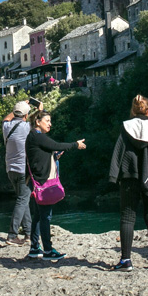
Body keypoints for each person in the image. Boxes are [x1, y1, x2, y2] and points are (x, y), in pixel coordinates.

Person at [108, 95, 148, 271]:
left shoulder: (126, 126)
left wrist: (113, 175)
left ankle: (126, 260)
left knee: (127, 217)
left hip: (129, 176)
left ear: (133, 111)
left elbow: (118, 152)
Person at [25, 111, 86, 261]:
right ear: (38, 121)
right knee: (45, 216)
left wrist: (54, 155)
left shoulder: (34, 136)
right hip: (43, 181)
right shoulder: (37, 136)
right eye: (47, 120)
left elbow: (44, 154)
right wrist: (75, 145)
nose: (50, 124)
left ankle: (34, 248)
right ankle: (48, 250)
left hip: (38, 180)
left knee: (39, 215)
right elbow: (55, 145)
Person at [2, 101, 34, 245]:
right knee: (22, 200)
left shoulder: (6, 127)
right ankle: (12, 235)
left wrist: (18, 106)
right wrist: (40, 109)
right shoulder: (27, 127)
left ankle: (28, 233)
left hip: (10, 169)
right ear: (26, 115)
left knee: (23, 199)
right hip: (23, 170)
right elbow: (40, 125)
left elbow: (6, 118)